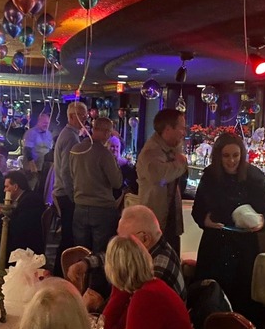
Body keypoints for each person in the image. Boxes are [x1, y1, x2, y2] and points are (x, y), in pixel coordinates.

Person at [191, 132, 265, 322]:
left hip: (243, 249)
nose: (231, 160)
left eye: (235, 155)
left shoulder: (254, 177)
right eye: (226, 156)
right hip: (215, 247)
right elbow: (197, 211)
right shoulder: (210, 176)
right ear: (218, 156)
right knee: (211, 302)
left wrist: (261, 222)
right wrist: (205, 221)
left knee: (242, 303)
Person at [67, 205, 185, 311]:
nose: (118, 245)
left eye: (123, 241)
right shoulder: (149, 251)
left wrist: (100, 306)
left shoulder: (157, 271)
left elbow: (132, 314)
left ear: (145, 239)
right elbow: (113, 257)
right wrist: (85, 264)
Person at [136, 109, 188, 253]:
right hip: (154, 221)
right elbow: (160, 177)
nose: (184, 132)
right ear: (168, 129)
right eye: (181, 128)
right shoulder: (151, 152)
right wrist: (180, 163)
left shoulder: (170, 148)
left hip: (168, 218)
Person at [70, 117, 123, 255]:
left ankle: (81, 277)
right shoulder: (104, 154)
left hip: (80, 207)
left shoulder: (75, 150)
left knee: (81, 253)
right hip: (102, 209)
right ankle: (96, 277)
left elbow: (70, 175)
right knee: (100, 254)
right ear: (106, 132)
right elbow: (117, 182)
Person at [52, 101, 88, 275]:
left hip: (63, 192)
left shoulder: (68, 134)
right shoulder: (70, 137)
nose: (86, 118)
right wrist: (74, 196)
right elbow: (67, 171)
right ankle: (60, 273)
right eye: (82, 115)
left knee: (68, 236)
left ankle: (61, 273)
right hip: (66, 194)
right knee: (68, 237)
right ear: (72, 117)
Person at [0, 170, 45, 255]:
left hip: (25, 246)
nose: (4, 190)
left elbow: (20, 226)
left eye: (7, 187)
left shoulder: (31, 200)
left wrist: (3, 213)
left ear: (15, 187)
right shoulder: (22, 199)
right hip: (19, 240)